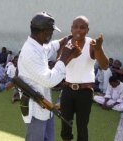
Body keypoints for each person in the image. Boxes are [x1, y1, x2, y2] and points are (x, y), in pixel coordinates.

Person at [18, 12, 79, 141]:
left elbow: (50, 47)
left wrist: (65, 39)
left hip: (45, 104)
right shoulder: (30, 52)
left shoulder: (38, 45)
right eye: (50, 31)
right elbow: (49, 80)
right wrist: (64, 56)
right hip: (35, 109)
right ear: (42, 32)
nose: (52, 34)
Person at [60, 16, 108, 141]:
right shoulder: (66, 43)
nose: (78, 30)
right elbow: (59, 65)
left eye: (82, 27)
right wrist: (71, 55)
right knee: (65, 124)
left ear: (87, 30)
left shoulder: (92, 44)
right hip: (67, 90)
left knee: (82, 126)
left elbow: (105, 65)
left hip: (85, 92)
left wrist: (99, 49)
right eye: (75, 27)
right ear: (71, 29)